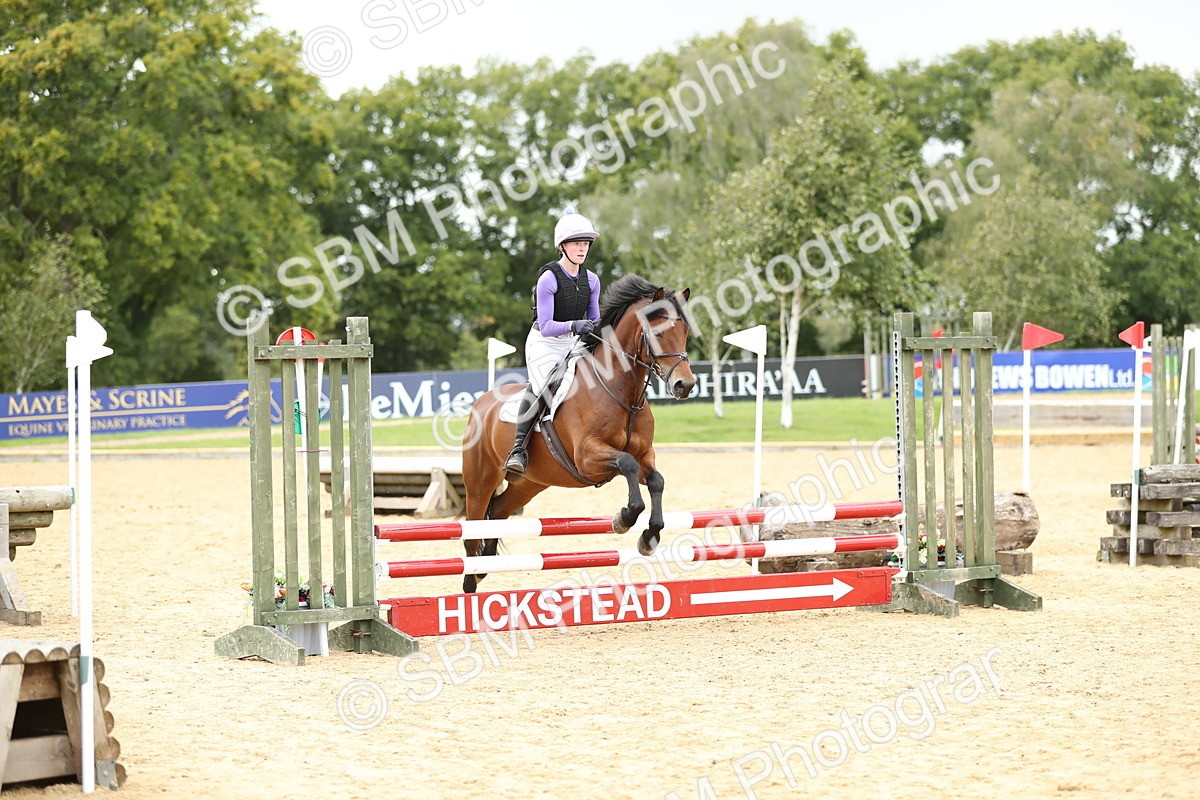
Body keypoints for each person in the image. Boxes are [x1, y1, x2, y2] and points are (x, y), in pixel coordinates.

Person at [503, 208, 602, 475]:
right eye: (576, 244)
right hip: (544, 343)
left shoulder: (592, 280)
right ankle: (518, 449)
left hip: (572, 341)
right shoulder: (548, 279)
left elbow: (594, 319)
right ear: (562, 246)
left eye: (585, 244)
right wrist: (574, 325)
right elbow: (546, 326)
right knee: (545, 385)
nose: (582, 249)